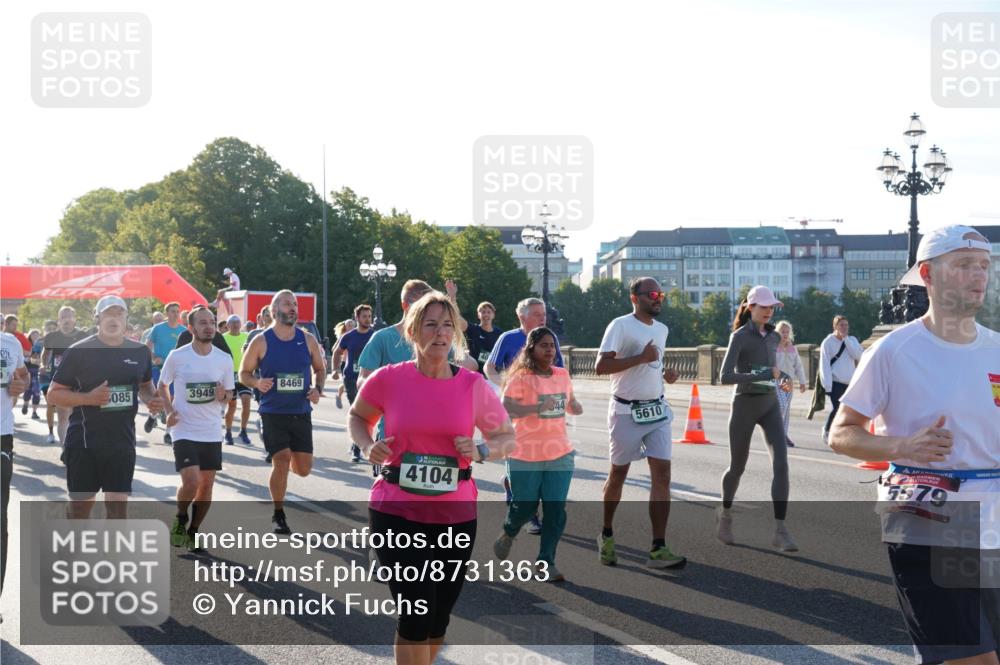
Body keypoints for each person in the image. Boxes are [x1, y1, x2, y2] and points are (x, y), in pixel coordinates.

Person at [830, 224, 1000, 665]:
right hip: (929, 516)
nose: (979, 275)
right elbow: (841, 433)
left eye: (983, 265)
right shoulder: (894, 350)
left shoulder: (997, 349)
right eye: (964, 265)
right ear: (928, 273)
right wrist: (904, 446)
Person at [348, 291, 516, 665]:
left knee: (439, 613)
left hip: (454, 514)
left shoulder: (472, 386)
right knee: (415, 609)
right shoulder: (388, 379)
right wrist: (366, 444)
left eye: (447, 325)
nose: (440, 333)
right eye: (430, 324)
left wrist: (483, 451)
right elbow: (359, 417)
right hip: (396, 509)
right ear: (412, 330)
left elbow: (507, 437)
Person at [595, 277, 686, 569]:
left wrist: (665, 374)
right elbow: (601, 367)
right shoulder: (620, 325)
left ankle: (658, 547)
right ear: (635, 298)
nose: (658, 298)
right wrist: (640, 357)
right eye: (652, 294)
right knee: (618, 475)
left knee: (662, 476)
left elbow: (653, 364)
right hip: (625, 412)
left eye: (661, 294)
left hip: (657, 410)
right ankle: (607, 533)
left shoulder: (662, 329)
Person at [47, 296, 163, 519]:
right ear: (97, 318)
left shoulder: (139, 351)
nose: (114, 318)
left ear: (126, 318)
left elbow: (146, 385)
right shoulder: (79, 350)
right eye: (109, 313)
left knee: (118, 511)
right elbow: (54, 394)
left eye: (119, 313)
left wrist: (152, 399)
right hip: (83, 442)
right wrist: (89, 398)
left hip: (122, 442)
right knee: (80, 511)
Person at [493, 326, 581, 583]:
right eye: (544, 345)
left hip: (559, 452)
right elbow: (505, 410)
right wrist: (536, 407)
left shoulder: (562, 374)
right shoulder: (520, 377)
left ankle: (546, 562)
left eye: (552, 346)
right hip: (524, 452)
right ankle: (509, 530)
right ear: (531, 348)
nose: (550, 350)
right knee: (525, 505)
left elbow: (568, 403)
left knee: (556, 510)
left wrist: (574, 406)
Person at [717, 286, 797, 552]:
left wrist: (783, 380)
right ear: (750, 307)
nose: (768, 311)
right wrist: (761, 375)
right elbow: (725, 376)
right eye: (763, 307)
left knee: (782, 465)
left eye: (771, 307)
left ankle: (781, 529)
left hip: (770, 406)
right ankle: (725, 513)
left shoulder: (774, 336)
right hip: (744, 406)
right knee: (737, 467)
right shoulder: (739, 337)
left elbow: (773, 371)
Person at [240, 290, 326, 533]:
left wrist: (318, 388)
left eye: (295, 304)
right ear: (273, 309)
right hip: (272, 412)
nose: (293, 308)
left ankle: (285, 459)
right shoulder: (261, 340)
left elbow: (319, 369)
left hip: (300, 411)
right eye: (288, 303)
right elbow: (243, 373)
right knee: (281, 460)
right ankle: (278, 514)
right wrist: (257, 383)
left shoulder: (307, 339)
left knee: (304, 469)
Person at [485, 297, 565, 534]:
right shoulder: (508, 338)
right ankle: (530, 514)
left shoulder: (550, 339)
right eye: (537, 314)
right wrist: (505, 383)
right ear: (522, 317)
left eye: (544, 314)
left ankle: (511, 483)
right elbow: (490, 368)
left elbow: (559, 370)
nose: (543, 318)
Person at [158, 306, 234, 553]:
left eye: (211, 322)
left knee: (207, 485)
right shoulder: (178, 356)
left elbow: (229, 394)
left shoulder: (223, 359)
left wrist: (225, 395)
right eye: (202, 323)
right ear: (191, 328)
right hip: (184, 428)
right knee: (191, 481)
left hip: (211, 429)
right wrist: (168, 411)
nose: (209, 326)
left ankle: (193, 531)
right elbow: (162, 385)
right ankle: (181, 516)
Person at [2, 329, 29, 608]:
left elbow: (23, 375)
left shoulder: (10, 343)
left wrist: (20, 385)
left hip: (1, 436)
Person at [41, 307, 88, 444]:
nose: (66, 320)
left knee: (76, 415)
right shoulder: (52, 337)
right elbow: (45, 353)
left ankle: (76, 443)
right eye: (63, 317)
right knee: (63, 416)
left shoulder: (83, 336)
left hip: (80, 381)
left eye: (69, 317)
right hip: (60, 380)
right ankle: (65, 450)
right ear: (59, 320)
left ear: (75, 319)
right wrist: (44, 365)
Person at [334, 305, 374, 462]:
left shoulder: (374, 335)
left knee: (368, 414)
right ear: (357, 318)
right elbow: (337, 351)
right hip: (351, 378)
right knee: (358, 412)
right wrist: (336, 369)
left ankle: (357, 445)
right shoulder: (349, 336)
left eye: (369, 316)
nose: (368, 319)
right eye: (364, 316)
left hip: (371, 378)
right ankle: (356, 449)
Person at [818, 315, 863, 445]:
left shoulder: (852, 340)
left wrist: (846, 340)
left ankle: (841, 432)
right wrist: (827, 385)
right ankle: (827, 430)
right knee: (837, 408)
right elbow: (824, 365)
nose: (844, 327)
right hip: (835, 382)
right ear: (835, 326)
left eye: (846, 325)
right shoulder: (828, 342)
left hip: (849, 382)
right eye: (841, 325)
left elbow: (858, 355)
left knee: (848, 410)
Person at [145, 302, 185, 442]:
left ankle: (168, 432)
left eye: (177, 311)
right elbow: (147, 347)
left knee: (173, 399)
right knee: (158, 395)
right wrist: (154, 357)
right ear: (167, 313)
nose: (176, 314)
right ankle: (153, 416)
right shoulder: (157, 329)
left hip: (176, 370)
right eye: (173, 311)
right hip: (159, 367)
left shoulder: (183, 331)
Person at [774, 321, 807, 447]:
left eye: (787, 332)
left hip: (789, 382)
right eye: (783, 331)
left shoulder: (792, 348)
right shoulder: (773, 346)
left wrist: (803, 382)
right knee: (781, 407)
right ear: (778, 332)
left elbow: (798, 366)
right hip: (777, 381)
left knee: (786, 410)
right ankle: (777, 433)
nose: (785, 334)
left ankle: (783, 435)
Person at [222, 315, 252, 445]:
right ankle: (228, 433)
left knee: (246, 402)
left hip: (244, 373)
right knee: (232, 405)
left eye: (237, 322)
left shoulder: (246, 336)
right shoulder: (223, 338)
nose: (235, 325)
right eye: (232, 323)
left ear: (241, 324)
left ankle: (243, 431)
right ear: (227, 326)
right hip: (229, 375)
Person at [465, 301, 504, 375]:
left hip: (492, 376)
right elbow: (457, 319)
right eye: (483, 312)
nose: (486, 314)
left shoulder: (500, 333)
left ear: (493, 315)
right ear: (478, 315)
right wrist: (452, 297)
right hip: (474, 375)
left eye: (489, 312)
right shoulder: (473, 329)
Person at [21, 329, 43, 419]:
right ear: (30, 336)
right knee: (27, 390)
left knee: (36, 392)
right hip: (27, 371)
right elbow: (23, 356)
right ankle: (25, 404)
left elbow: (43, 358)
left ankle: (34, 412)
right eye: (33, 334)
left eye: (37, 335)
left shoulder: (42, 346)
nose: (35, 336)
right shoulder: (26, 345)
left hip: (37, 372)